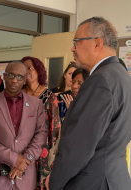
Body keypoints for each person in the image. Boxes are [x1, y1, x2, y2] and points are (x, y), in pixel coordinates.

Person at [49, 17, 131, 190]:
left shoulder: (100, 80)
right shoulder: (122, 75)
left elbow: (78, 147)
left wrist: (55, 182)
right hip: (115, 177)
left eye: (76, 42)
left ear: (97, 43)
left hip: (92, 181)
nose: (72, 48)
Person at [0, 61, 48, 190]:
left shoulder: (36, 104)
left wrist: (25, 160)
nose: (14, 80)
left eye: (20, 77)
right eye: (11, 75)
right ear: (4, 76)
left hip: (26, 174)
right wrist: (13, 158)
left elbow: (41, 134)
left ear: (25, 79)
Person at [21, 56, 61, 190]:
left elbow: (55, 129)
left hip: (42, 151)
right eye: (23, 69)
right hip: (20, 148)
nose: (26, 72)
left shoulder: (49, 96)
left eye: (29, 68)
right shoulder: (18, 95)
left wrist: (52, 156)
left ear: (38, 70)